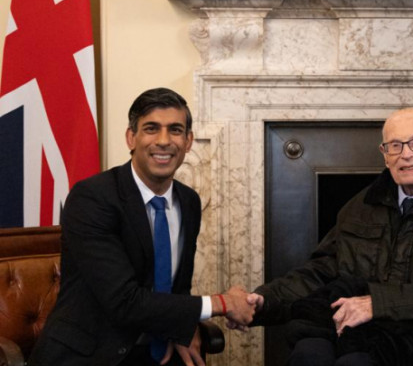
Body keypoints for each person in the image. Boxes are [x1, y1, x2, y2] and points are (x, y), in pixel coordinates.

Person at [241, 108, 413, 366]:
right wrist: (265, 300)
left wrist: (380, 304)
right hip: (351, 325)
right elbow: (321, 272)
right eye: (395, 146)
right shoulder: (362, 206)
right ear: (385, 155)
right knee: (308, 355)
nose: (406, 154)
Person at [29, 88, 255, 366]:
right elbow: (124, 302)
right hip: (91, 354)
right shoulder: (92, 197)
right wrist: (222, 304)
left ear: (188, 141)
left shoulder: (189, 201)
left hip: (162, 349)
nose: (163, 141)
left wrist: (184, 328)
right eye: (151, 129)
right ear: (131, 138)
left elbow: (176, 287)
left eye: (175, 130)